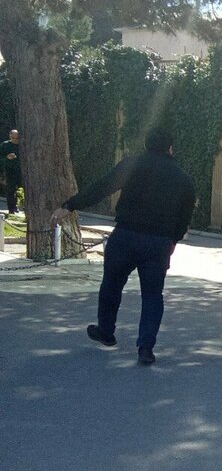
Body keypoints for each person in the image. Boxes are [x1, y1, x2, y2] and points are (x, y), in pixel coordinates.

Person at [49, 127, 196, 365]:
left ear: (146, 145)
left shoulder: (132, 165)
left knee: (111, 284)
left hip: (126, 234)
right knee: (152, 295)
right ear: (170, 148)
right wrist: (173, 240)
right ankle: (145, 347)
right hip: (158, 241)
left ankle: (106, 331)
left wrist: (69, 205)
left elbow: (102, 187)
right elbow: (185, 215)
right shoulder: (183, 178)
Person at [0, 129, 21, 214]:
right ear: (10, 136)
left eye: (17, 138)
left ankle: (18, 206)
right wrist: (7, 157)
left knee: (21, 189)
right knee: (10, 190)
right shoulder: (5, 145)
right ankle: (11, 209)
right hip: (9, 170)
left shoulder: (22, 145)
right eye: (13, 138)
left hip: (21, 171)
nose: (15, 140)